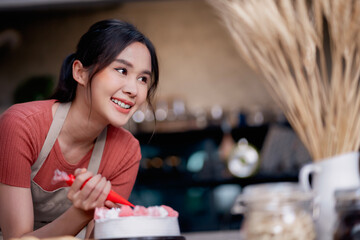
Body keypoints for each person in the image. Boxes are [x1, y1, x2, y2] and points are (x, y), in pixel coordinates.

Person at [0, 19, 159, 240]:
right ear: (80, 73)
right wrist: (82, 213)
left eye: (143, 79)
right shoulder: (21, 125)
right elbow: (16, 238)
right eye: (121, 70)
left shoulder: (126, 152)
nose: (133, 89)